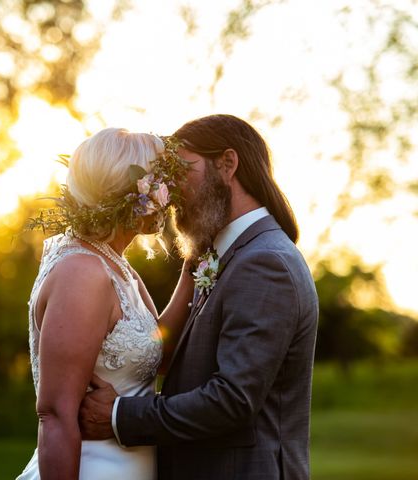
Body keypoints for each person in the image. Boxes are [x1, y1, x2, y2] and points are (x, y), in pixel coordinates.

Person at [79, 114, 319, 480]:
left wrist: (118, 416)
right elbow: (168, 356)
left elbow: (231, 401)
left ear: (227, 164)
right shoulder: (228, 256)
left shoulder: (264, 263)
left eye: (180, 173)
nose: (170, 194)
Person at [17, 128, 195, 479]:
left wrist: (193, 267)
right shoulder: (82, 272)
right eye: (162, 183)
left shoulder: (115, 266)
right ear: (131, 192)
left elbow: (158, 353)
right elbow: (55, 414)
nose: (171, 196)